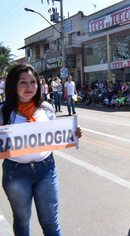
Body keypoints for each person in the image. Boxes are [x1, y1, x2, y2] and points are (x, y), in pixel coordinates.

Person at [0, 64, 83, 236]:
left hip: (46, 170)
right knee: (22, 220)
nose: (29, 87)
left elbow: (55, 135)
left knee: (51, 222)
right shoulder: (3, 111)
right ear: (13, 84)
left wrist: (73, 133)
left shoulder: (46, 108)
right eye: (23, 82)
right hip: (15, 174)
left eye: (33, 82)